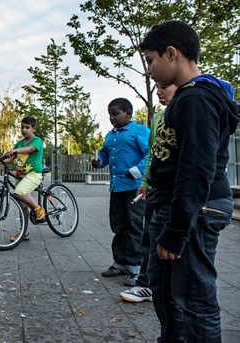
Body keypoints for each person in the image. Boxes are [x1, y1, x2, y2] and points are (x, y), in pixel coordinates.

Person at [140, 20, 239, 342]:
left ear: (172, 53)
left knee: (194, 299)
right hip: (175, 207)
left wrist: (177, 230)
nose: (150, 71)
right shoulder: (186, 98)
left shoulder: (197, 99)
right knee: (167, 291)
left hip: (195, 211)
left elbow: (196, 168)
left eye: (151, 60)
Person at [120, 82, 176, 303]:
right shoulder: (157, 118)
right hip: (156, 188)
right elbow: (154, 154)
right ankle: (145, 283)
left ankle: (157, 283)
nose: (159, 91)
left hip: (176, 191)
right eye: (157, 87)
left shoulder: (190, 109)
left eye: (164, 87)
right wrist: (145, 181)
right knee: (149, 236)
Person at [91, 98, 149, 286]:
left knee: (134, 226)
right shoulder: (111, 135)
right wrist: (99, 161)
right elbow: (105, 154)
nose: (112, 118)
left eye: (116, 114)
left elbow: (151, 153)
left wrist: (136, 170)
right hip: (117, 187)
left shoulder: (138, 131)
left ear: (129, 113)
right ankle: (120, 263)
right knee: (118, 225)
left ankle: (136, 268)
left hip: (135, 188)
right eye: (110, 114)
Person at [0, 116, 45, 242]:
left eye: (27, 127)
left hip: (33, 174)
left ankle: (38, 209)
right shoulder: (19, 143)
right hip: (21, 176)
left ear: (33, 129)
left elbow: (30, 149)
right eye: (22, 127)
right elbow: (9, 159)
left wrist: (15, 150)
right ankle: (24, 232)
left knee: (19, 192)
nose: (24, 130)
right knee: (22, 206)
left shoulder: (37, 141)